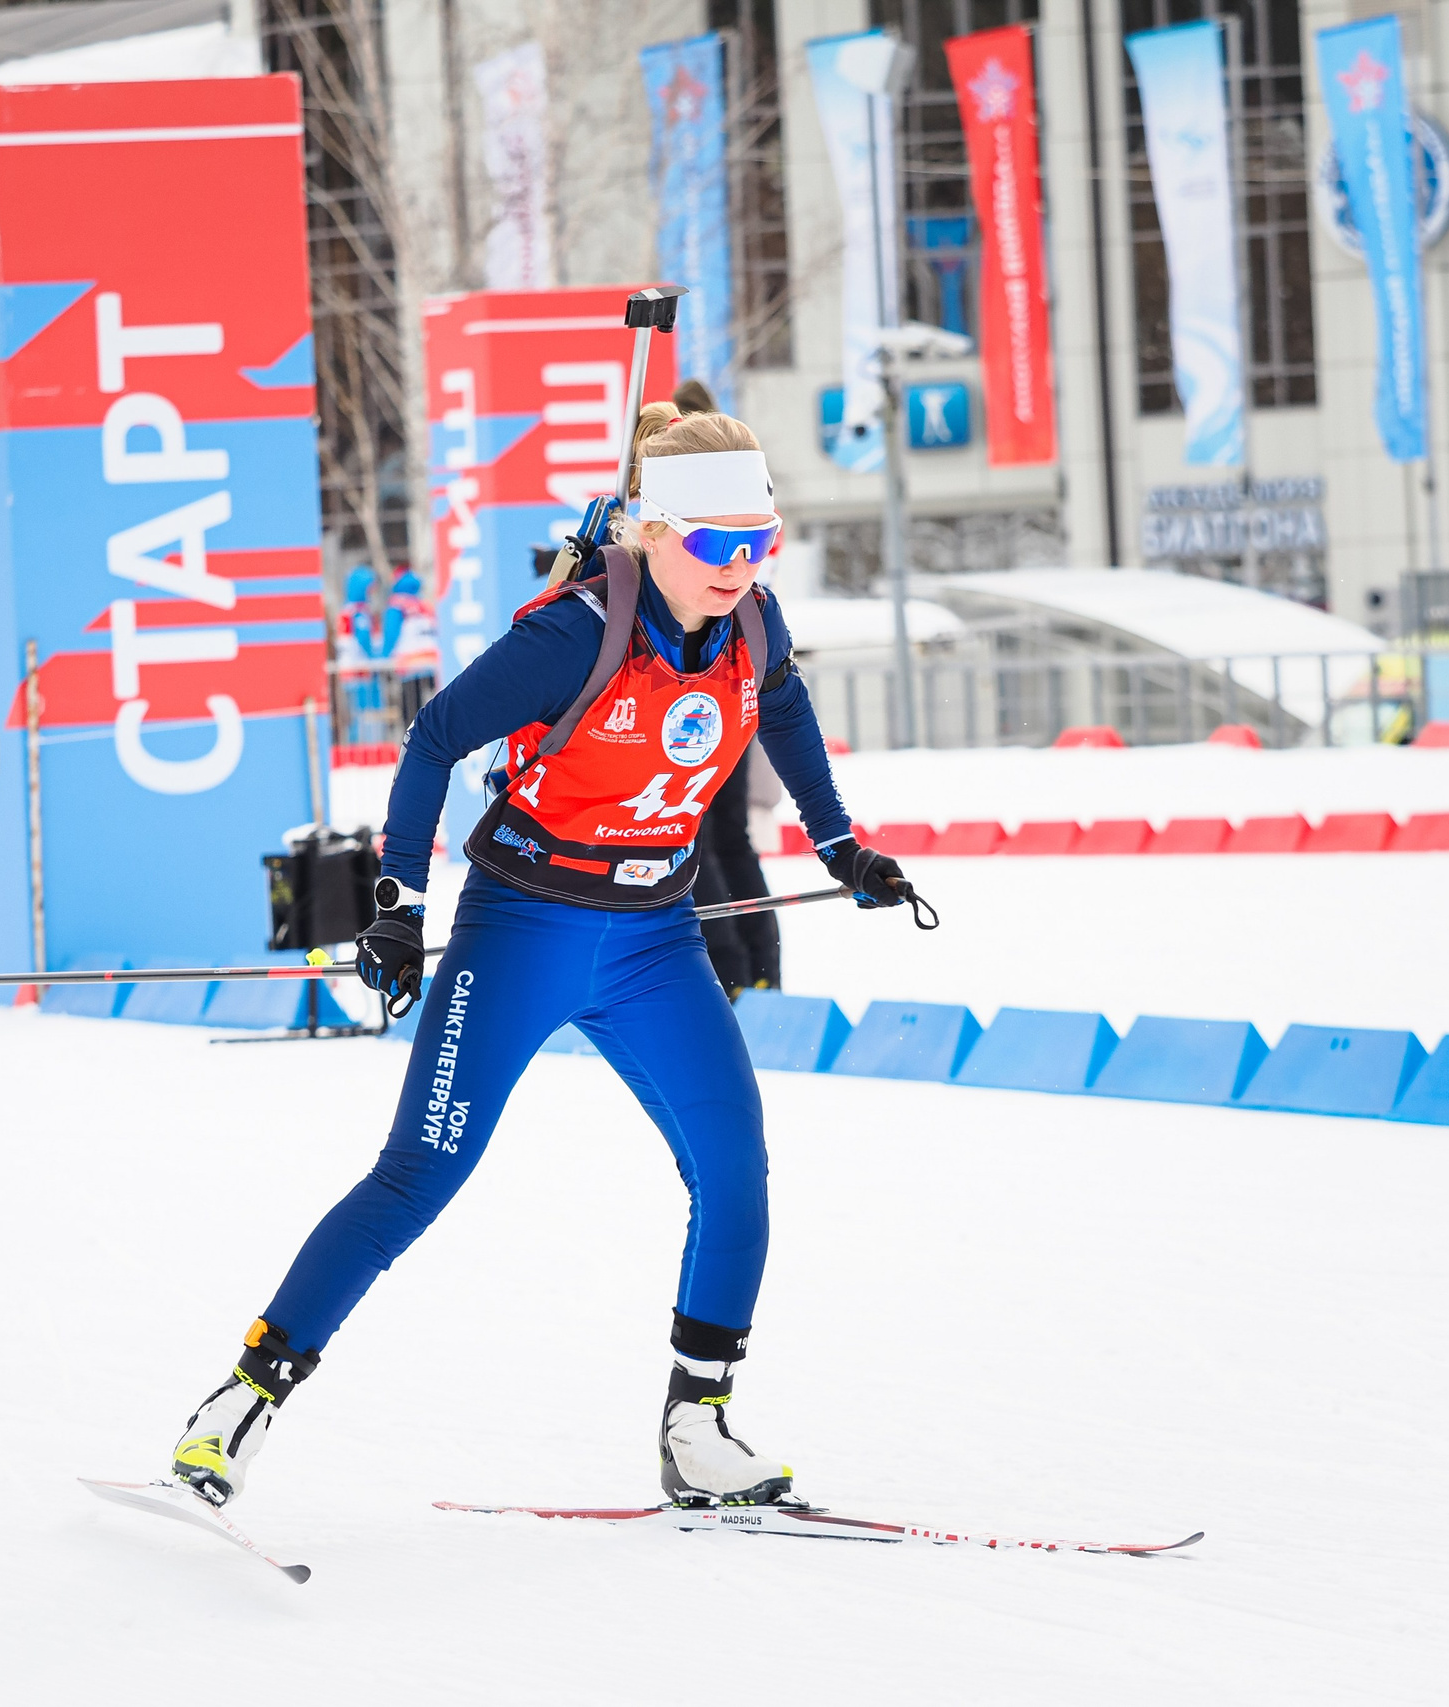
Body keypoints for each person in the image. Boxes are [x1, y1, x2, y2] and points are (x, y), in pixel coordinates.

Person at [168, 405, 923, 1512]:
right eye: (715, 545)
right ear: (650, 532)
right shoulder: (574, 633)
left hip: (656, 940)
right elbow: (434, 737)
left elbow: (788, 710)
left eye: (756, 540)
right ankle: (237, 1406)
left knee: (733, 1167)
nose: (739, 566)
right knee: (420, 1175)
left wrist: (840, 845)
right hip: (521, 929)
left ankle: (697, 1427)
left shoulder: (751, 626)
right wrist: (396, 901)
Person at [664, 377, 781, 996]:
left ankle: (734, 972)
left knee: (696, 836)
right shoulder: (746, 492)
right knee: (727, 833)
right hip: (736, 687)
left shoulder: (695, 499)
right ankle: (762, 969)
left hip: (696, 692)